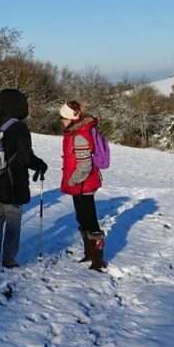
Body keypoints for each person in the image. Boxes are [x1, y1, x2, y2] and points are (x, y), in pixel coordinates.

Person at [0, 89, 49, 268]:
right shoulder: (18, 127)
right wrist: (40, 165)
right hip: (12, 183)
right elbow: (26, 157)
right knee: (13, 220)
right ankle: (8, 259)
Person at [60, 100, 107, 271]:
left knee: (90, 220)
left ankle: (97, 260)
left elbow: (85, 166)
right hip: (79, 185)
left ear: (70, 118)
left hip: (84, 184)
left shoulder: (80, 136)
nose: (61, 121)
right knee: (82, 218)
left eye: (62, 118)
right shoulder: (74, 133)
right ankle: (89, 253)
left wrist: (72, 180)